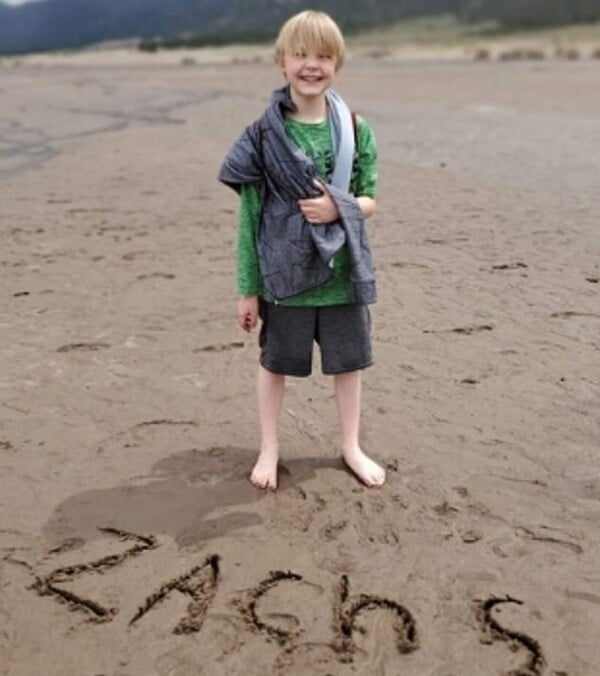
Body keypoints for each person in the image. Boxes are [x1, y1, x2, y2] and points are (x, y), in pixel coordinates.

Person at [219, 10, 386, 490]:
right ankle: (269, 446)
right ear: (282, 62)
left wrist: (340, 209)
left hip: (341, 272)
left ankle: (350, 445)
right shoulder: (262, 136)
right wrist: (248, 290)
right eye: (300, 55)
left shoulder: (355, 128)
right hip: (284, 276)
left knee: (349, 364)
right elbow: (249, 217)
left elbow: (370, 199)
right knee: (275, 363)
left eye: (323, 55)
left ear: (337, 62)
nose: (311, 65)